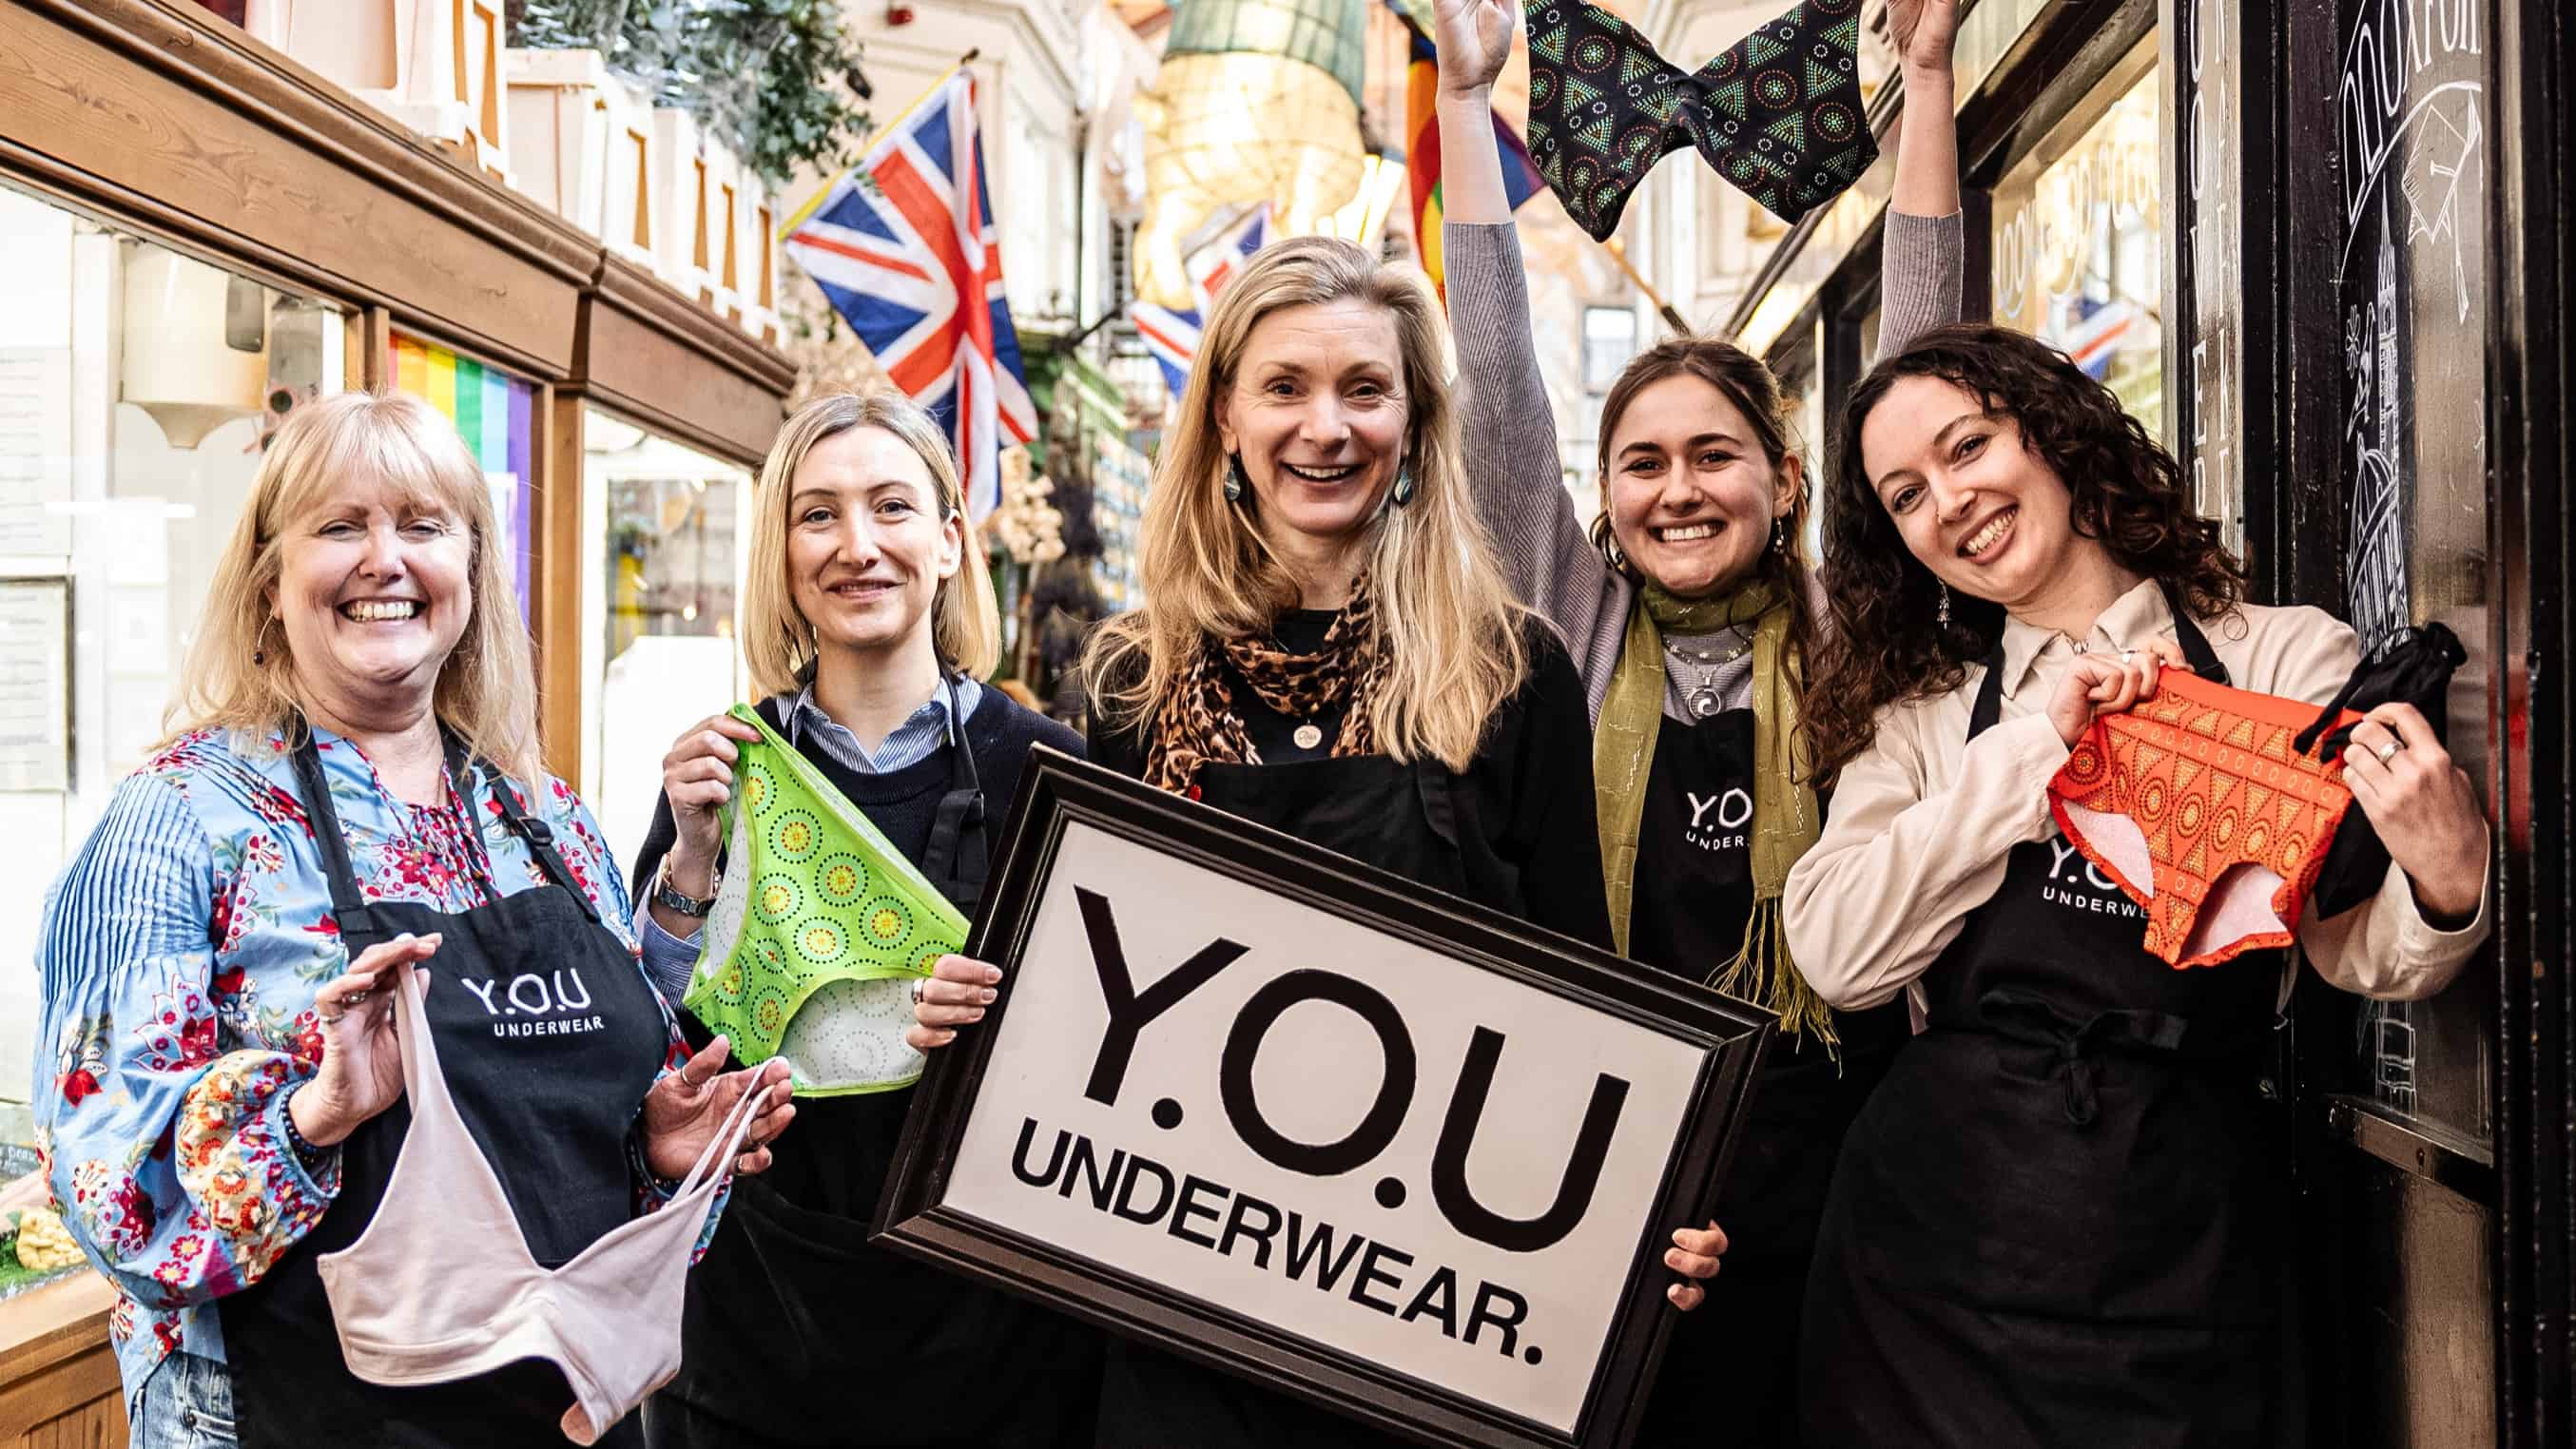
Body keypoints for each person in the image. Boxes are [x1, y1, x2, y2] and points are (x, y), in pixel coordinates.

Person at [909, 236, 1723, 1445]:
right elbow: (1086, 1001)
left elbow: (1586, 1002)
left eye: (1365, 388)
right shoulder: (1138, 679)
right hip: (1184, 1309)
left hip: (1429, 1322)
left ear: (1414, 422)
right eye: (1286, 387)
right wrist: (975, 1010)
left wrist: (1645, 1199)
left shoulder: (1510, 669)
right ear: (1226, 416)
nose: (1325, 427)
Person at [33, 391, 793, 1449]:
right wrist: (318, 1115)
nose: (384, 560)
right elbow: (113, 1194)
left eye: (423, 526)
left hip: (560, 1415)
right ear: (269, 581)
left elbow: (576, 1149)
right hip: (294, 1411)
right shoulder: (179, 821)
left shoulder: (542, 816)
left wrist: (657, 1151)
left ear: (473, 576)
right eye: (340, 527)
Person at [1788, 322, 2495, 1443]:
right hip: (1932, 1250)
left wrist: (2447, 882)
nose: (1951, 500)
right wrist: (2036, 745)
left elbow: (2352, 945)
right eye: (1907, 495)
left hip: (2185, 1236)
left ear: (2052, 435)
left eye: (1969, 447)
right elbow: (1839, 955)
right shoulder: (1923, 719)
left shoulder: (2277, 658)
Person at [1432, 0, 1963, 1438]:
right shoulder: (1577, 625)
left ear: (1783, 482)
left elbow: (1926, 359)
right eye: (1645, 462)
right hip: (1621, 1128)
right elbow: (1495, 396)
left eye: (1716, 456)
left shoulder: (1851, 625)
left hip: (1846, 1135)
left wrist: (1924, 82)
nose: (1679, 489)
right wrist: (1468, 107)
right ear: (1604, 499)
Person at [628, 390, 1101, 1449]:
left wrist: (1006, 1023)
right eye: (818, 515)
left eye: (891, 508)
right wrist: (690, 858)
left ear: (945, 543)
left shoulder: (1051, 772)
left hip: (1001, 1346)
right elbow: (649, 1046)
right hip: (753, 1339)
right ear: (784, 557)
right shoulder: (720, 770)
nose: (857, 547)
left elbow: (1111, 1062)